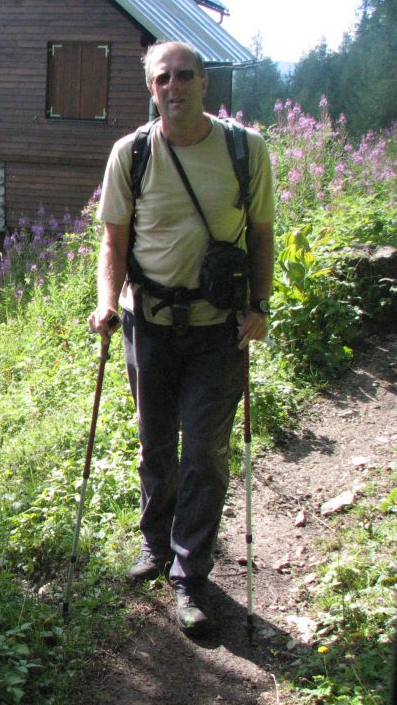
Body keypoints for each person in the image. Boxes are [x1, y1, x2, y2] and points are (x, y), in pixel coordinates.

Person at [87, 41, 275, 636]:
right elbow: (114, 241)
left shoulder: (246, 151)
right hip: (151, 326)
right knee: (154, 443)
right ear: (151, 88)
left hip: (218, 331)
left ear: (204, 84)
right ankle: (156, 546)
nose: (175, 87)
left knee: (205, 455)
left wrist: (259, 306)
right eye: (163, 78)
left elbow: (263, 235)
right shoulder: (132, 153)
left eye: (185, 76)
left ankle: (190, 577)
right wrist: (105, 301)